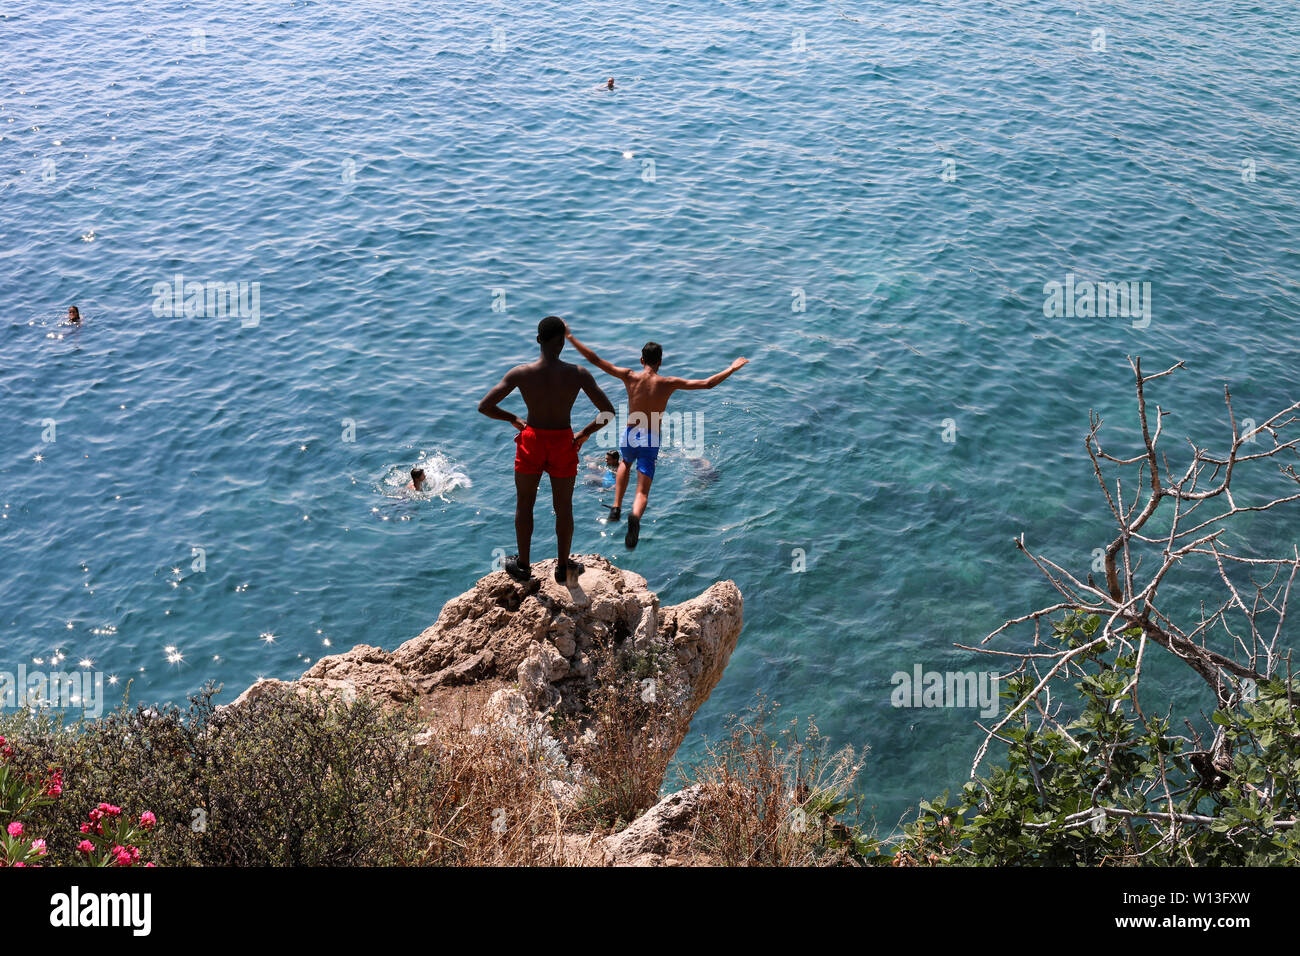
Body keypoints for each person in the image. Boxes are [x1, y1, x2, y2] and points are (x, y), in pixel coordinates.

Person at [564, 324, 748, 550]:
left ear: (641, 360)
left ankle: (616, 505)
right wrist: (732, 368)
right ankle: (635, 516)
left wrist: (570, 336)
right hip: (650, 437)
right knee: (642, 490)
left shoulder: (629, 376)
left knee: (624, 463)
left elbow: (595, 359)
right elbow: (707, 384)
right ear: (660, 362)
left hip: (630, 432)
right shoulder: (668, 383)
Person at [479, 316, 616, 584]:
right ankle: (563, 568)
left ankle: (523, 565)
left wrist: (513, 419)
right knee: (564, 507)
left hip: (532, 440)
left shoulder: (521, 373)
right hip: (564, 442)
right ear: (562, 342)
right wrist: (584, 434)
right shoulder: (578, 374)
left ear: (538, 339)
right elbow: (608, 412)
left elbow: (485, 406)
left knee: (524, 504)